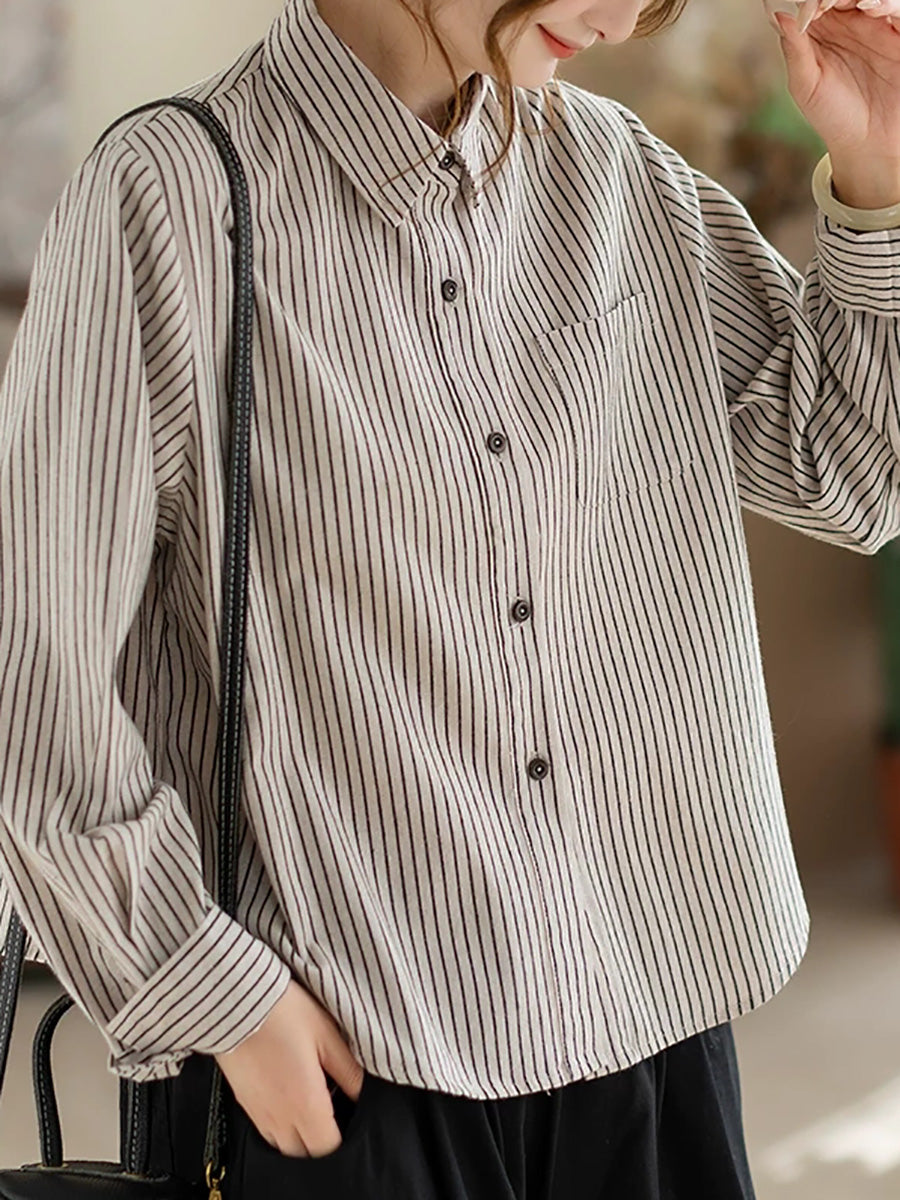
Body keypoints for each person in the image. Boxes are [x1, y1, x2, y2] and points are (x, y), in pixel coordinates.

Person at [1, 0, 899, 1196]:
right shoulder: (168, 200)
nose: (622, 15)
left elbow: (853, 473)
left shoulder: (618, 174)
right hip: (350, 1061)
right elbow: (35, 676)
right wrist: (214, 994)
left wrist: (882, 164)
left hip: (654, 1021)